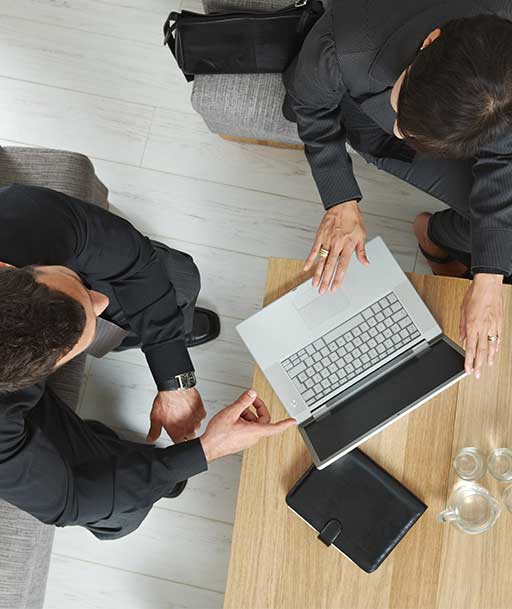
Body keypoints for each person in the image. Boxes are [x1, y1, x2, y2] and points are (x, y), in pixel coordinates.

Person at [0, 183, 295, 539]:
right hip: (13, 412)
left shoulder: (19, 219)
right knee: (123, 513)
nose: (102, 301)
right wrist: (204, 450)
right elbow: (71, 500)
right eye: (80, 341)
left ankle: (159, 336)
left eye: (73, 282)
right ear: (42, 372)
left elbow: (134, 262)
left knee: (179, 280)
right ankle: (126, 457)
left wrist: (174, 379)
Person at [283, 0, 512, 381]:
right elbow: (309, 108)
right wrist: (341, 199)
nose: (403, 129)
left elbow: (503, 158)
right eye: (403, 113)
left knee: (502, 243)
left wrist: (489, 280)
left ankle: (434, 236)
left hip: (472, 128)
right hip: (372, 123)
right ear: (430, 41)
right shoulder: (344, 46)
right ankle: (433, 235)